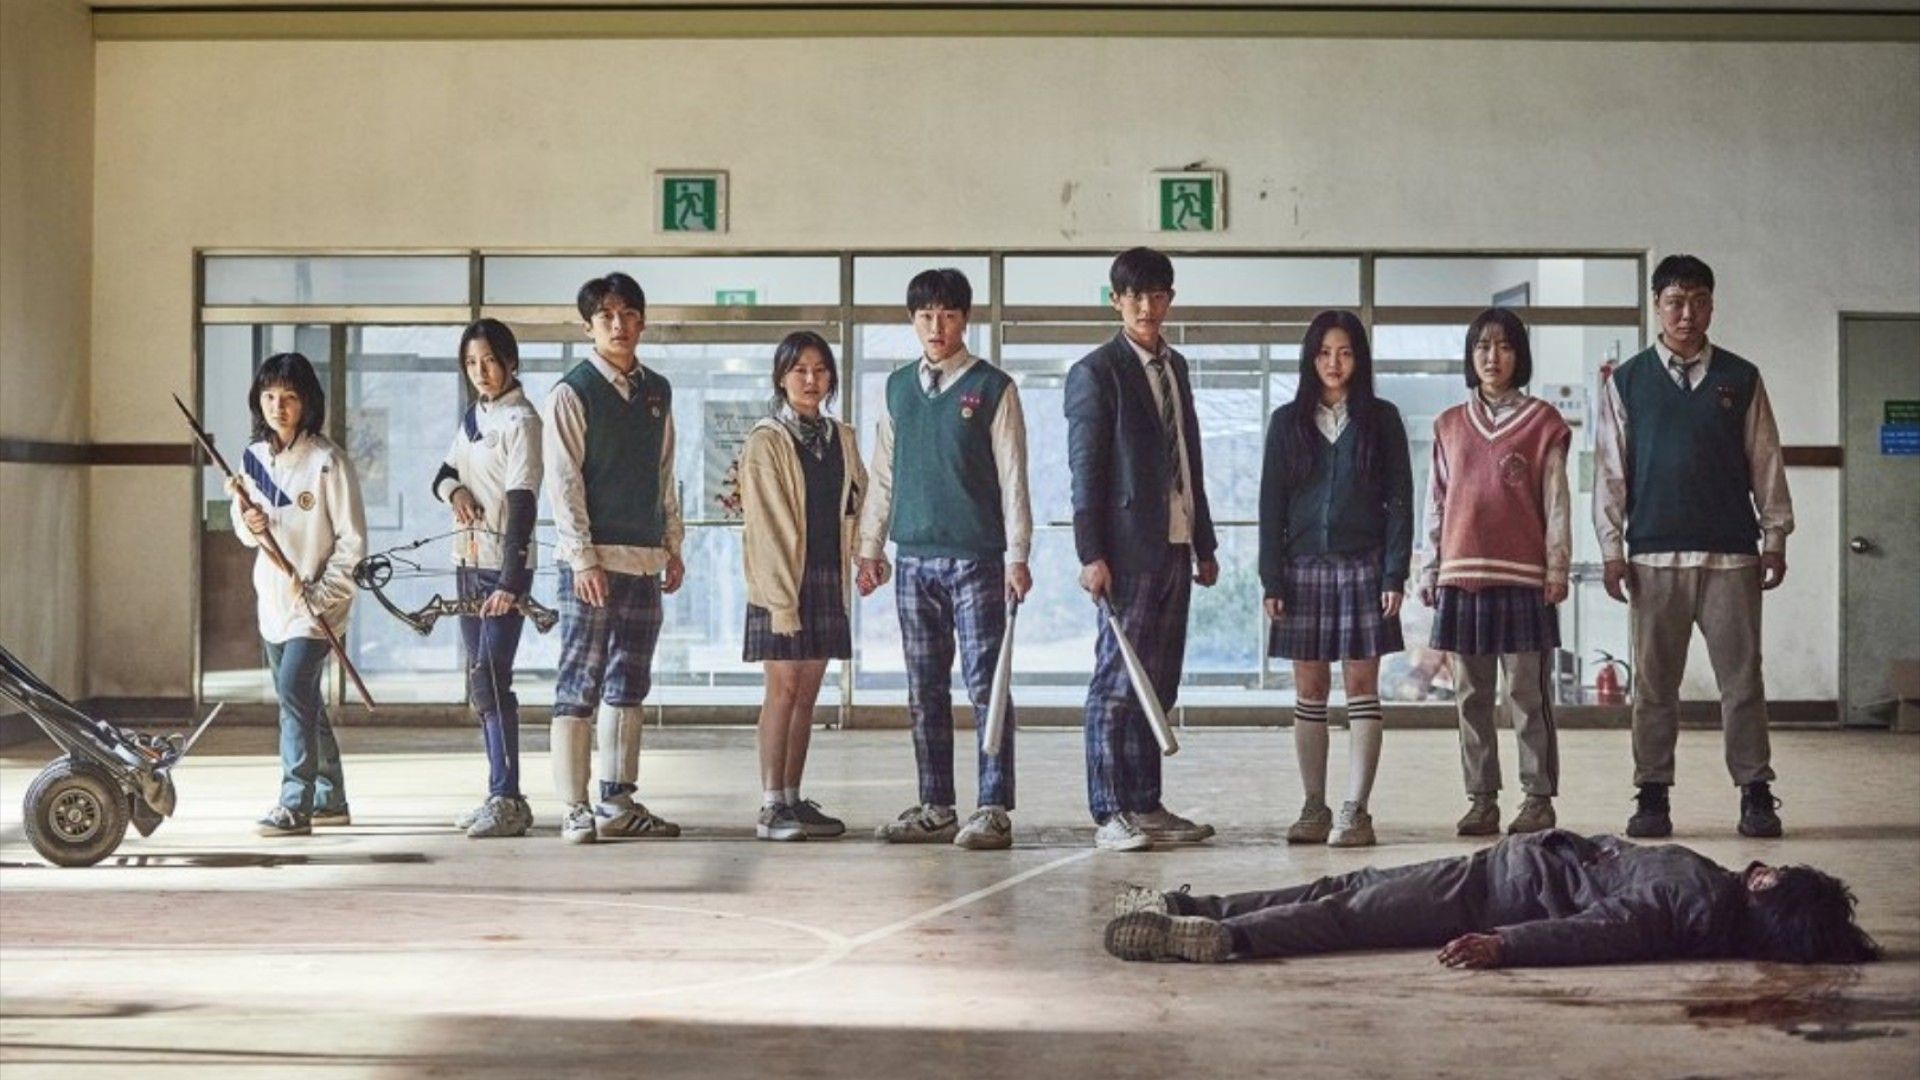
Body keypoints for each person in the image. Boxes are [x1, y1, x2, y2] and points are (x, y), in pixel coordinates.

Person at [1594, 255, 1794, 839]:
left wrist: (1774, 536)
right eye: (1675, 302)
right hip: (1653, 557)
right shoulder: (1627, 381)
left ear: (1712, 306)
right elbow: (1610, 472)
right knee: (1654, 686)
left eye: (1699, 301)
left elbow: (1766, 461)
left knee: (1743, 681)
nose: (1687, 314)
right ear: (1657, 306)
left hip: (1732, 554)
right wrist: (1611, 549)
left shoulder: (1741, 377)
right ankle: (1652, 793)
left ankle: (1755, 791)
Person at [1102, 830, 1881, 967]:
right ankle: (1197, 908)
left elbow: (1602, 930)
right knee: (1346, 889)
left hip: (1495, 891)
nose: (1764, 869)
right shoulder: (1709, 899)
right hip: (1507, 872)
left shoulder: (1695, 901)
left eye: (1774, 875)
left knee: (1349, 912)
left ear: (1766, 889)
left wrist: (1507, 945)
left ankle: (1227, 938)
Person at [855, 267, 1034, 851]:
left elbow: (1013, 476)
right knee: (924, 687)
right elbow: (883, 474)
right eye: (926, 315)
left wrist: (1018, 554)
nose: (937, 326)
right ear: (912, 321)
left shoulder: (993, 387)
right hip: (913, 561)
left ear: (965, 319)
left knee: (987, 685)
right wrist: (870, 547)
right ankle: (936, 804)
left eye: (948, 315)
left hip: (977, 559)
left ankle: (993, 807)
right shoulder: (897, 389)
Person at [1064, 247, 1220, 852]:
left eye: (1156, 296)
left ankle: (1146, 804)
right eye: (1133, 297)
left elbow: (1190, 458)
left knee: (1158, 683)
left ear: (1170, 300)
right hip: (1124, 553)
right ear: (1115, 301)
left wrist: (1203, 542)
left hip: (1176, 545)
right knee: (1115, 683)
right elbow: (1085, 472)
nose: (1146, 307)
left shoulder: (1175, 366)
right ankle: (1109, 811)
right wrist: (1091, 554)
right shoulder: (1096, 372)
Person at [1258, 311, 1413, 848]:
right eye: (1324, 353)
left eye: (1345, 353)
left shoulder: (1382, 419)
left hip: (1365, 567)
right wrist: (1271, 578)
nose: (1334, 363)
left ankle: (1355, 809)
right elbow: (1270, 505)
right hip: (1301, 570)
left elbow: (1400, 503)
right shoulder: (1286, 422)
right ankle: (1314, 805)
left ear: (1359, 359)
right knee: (1310, 689)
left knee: (1362, 687)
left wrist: (1395, 572)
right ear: (1310, 358)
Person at [543, 272, 686, 844]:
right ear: (588, 327)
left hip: (644, 558)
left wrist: (672, 545)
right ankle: (575, 807)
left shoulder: (658, 392)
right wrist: (582, 560)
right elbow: (563, 481)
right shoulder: (572, 392)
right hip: (593, 563)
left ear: (642, 322)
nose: (618, 325)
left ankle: (618, 800)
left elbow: (664, 472)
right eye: (605, 316)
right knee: (580, 680)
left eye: (628, 315)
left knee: (631, 680)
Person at [1420, 309, 1571, 837]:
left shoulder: (1544, 422)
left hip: (1525, 578)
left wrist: (1557, 566)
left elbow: (1556, 501)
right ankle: (1481, 798)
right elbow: (1436, 502)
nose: (1492, 357)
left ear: (1519, 356)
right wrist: (1430, 567)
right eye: (1482, 347)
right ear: (1471, 355)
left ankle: (1538, 797)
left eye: (1504, 346)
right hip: (1461, 575)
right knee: (1471, 696)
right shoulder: (1448, 425)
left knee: (1528, 695)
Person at [228, 352, 367, 838]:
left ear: (308, 402)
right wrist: (250, 522)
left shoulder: (328, 463)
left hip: (317, 605)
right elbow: (246, 528)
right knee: (303, 699)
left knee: (292, 694)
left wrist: (321, 593)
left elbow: (352, 543)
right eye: (269, 396)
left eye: (289, 396)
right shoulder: (253, 459)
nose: (278, 406)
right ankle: (331, 798)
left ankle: (295, 803)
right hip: (273, 602)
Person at [739, 331, 867, 841]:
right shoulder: (766, 440)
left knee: (809, 692)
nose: (811, 380)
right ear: (781, 378)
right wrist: (780, 603)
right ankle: (771, 804)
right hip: (781, 580)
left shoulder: (843, 437)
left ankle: (793, 796)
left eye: (820, 369)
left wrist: (865, 556)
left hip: (825, 574)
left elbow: (857, 502)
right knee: (783, 688)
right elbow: (767, 528)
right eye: (799, 370)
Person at [436, 319, 542, 839]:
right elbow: (443, 474)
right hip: (467, 561)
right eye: (471, 363)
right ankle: (498, 792)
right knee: (480, 681)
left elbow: (522, 504)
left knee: (493, 678)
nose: (480, 371)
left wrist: (510, 582)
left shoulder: (522, 420)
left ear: (510, 361)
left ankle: (509, 798)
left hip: (503, 568)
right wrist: (455, 493)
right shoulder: (474, 417)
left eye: (490, 361)